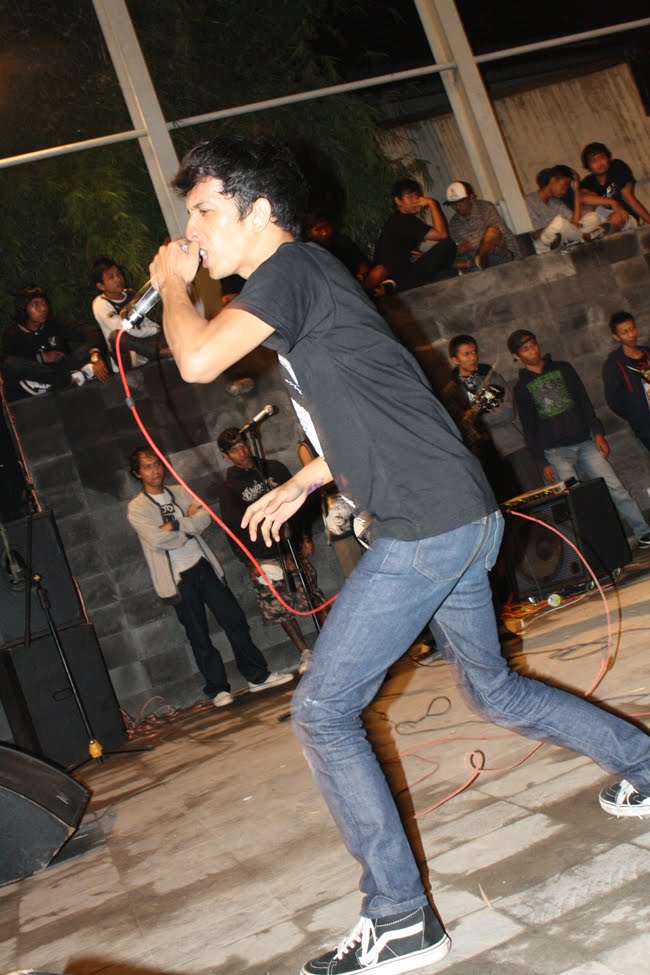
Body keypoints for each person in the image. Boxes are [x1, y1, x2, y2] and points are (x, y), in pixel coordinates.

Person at [149, 134, 650, 975]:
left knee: (322, 711)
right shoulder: (309, 281)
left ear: (258, 210)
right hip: (456, 513)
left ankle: (402, 918)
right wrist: (307, 479)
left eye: (204, 209)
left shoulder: (288, 271)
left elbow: (197, 358)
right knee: (492, 688)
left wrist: (172, 282)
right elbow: (385, 404)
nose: (192, 229)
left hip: (427, 525)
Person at [127, 445, 293, 708]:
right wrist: (187, 524)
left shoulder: (180, 491)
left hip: (203, 565)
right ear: (138, 473)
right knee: (198, 635)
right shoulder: (137, 508)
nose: (155, 470)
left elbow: (205, 518)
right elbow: (156, 539)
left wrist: (175, 524)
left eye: (157, 464)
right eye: (148, 467)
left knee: (235, 619)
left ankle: (257, 676)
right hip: (177, 577)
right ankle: (218, 689)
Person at [508, 328, 650, 548]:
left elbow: (584, 402)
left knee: (615, 487)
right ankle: (594, 549)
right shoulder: (521, 387)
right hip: (555, 452)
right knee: (575, 502)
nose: (532, 351)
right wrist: (541, 461)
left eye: (533, 344)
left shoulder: (563, 368)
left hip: (584, 442)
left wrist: (597, 433)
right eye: (525, 349)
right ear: (516, 356)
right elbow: (529, 427)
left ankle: (643, 531)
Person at [217, 427, 319, 674]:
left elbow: (302, 500)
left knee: (312, 595)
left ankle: (332, 641)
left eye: (243, 444)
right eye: (234, 450)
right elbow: (233, 529)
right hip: (263, 554)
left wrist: (305, 535)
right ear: (225, 455)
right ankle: (305, 652)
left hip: (290, 544)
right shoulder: (229, 488)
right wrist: (249, 561)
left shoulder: (273, 468)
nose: (242, 451)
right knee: (280, 607)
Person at [442, 334, 542, 501]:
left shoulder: (492, 377)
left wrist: (476, 417)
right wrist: (482, 415)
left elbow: (508, 412)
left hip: (512, 445)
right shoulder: (451, 392)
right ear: (455, 359)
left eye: (474, 352)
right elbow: (458, 425)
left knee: (536, 496)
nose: (473, 357)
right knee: (507, 503)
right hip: (485, 456)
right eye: (466, 354)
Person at [2, 285, 109, 399]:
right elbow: (12, 364)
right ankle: (70, 379)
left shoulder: (55, 322)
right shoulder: (13, 335)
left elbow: (91, 331)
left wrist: (95, 355)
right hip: (34, 380)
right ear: (23, 308)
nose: (43, 308)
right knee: (10, 364)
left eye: (44, 303)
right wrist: (41, 358)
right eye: (35, 304)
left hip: (62, 369)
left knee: (87, 348)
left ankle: (65, 380)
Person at [363, 177, 457, 295]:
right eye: (410, 197)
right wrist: (432, 203)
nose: (416, 200)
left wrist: (421, 256)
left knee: (442, 256)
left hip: (402, 272)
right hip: (400, 276)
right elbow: (442, 234)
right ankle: (394, 287)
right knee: (448, 245)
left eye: (417, 196)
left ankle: (393, 286)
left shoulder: (398, 219)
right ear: (398, 201)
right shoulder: (404, 221)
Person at [297, 437, 364, 578]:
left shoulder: (336, 433)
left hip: (362, 506)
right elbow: (314, 484)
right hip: (338, 517)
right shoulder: (306, 447)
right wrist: (342, 478)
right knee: (355, 572)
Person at [91, 257, 172, 371]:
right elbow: (125, 328)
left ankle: (160, 351)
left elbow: (143, 319)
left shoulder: (130, 294)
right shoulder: (100, 304)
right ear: (101, 286)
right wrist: (153, 330)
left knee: (168, 329)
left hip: (144, 342)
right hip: (128, 355)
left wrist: (158, 329)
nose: (118, 279)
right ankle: (159, 352)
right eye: (111, 277)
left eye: (118, 274)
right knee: (117, 336)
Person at [525, 165, 607, 251]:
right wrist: (563, 227)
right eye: (564, 186)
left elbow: (575, 223)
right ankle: (584, 237)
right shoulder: (529, 201)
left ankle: (575, 239)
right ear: (553, 180)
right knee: (558, 222)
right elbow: (534, 235)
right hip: (543, 244)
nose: (564, 191)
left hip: (564, 239)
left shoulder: (557, 202)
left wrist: (576, 191)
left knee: (593, 217)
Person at [603, 311, 650, 450]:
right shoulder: (613, 365)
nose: (631, 335)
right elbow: (613, 401)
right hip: (646, 426)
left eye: (633, 328)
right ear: (616, 336)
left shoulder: (647, 352)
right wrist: (636, 414)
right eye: (625, 332)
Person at [445, 180, 518, 270]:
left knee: (492, 232)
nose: (457, 207)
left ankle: (480, 261)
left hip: (497, 255)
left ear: (471, 198)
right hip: (473, 263)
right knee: (444, 257)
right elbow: (459, 251)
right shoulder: (453, 223)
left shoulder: (485, 208)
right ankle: (477, 263)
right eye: (453, 204)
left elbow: (501, 233)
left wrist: (470, 244)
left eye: (461, 202)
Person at [579, 142, 650, 232]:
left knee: (616, 217)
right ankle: (594, 232)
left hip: (625, 216)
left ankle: (598, 232)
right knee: (585, 209)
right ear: (588, 167)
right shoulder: (588, 182)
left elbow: (628, 197)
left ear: (608, 158)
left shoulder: (617, 167)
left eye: (602, 157)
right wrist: (613, 202)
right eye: (593, 161)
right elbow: (582, 198)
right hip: (604, 218)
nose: (600, 163)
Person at [306, 212, 370, 283]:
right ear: (309, 233)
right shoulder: (306, 251)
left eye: (326, 227)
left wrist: (362, 275)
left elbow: (362, 263)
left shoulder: (342, 242)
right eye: (318, 229)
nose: (324, 233)